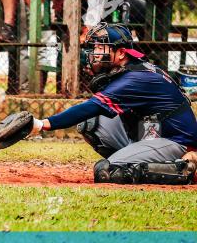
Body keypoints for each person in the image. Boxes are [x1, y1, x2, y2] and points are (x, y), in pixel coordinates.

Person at [29, 23, 197, 184]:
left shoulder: (134, 78)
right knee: (90, 123)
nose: (94, 53)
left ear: (122, 53)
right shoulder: (131, 69)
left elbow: (91, 106)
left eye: (101, 48)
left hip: (177, 142)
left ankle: (182, 168)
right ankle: (129, 158)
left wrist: (42, 124)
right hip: (152, 135)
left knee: (108, 172)